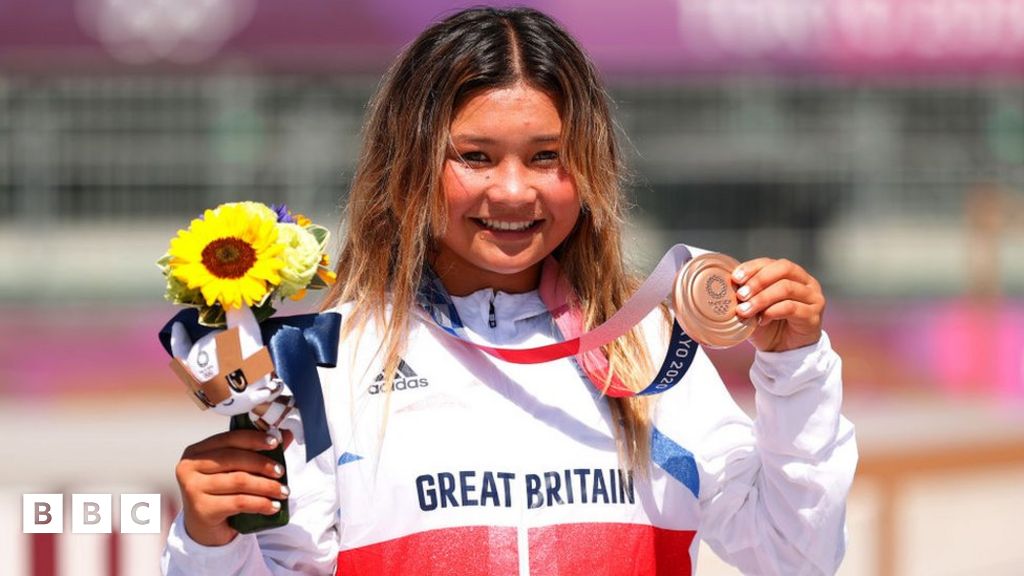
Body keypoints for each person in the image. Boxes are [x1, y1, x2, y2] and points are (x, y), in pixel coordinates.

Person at [162, 6, 857, 575]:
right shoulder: (326, 362)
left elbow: (792, 555)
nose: (516, 190)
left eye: (547, 157)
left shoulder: (650, 356)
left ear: (587, 167)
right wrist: (209, 541)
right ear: (408, 163)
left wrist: (796, 372)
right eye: (476, 156)